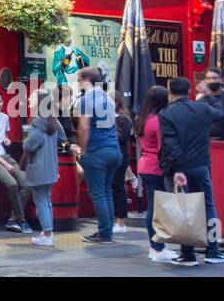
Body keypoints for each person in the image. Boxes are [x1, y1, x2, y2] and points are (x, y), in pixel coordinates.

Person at [158, 77, 224, 266]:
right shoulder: (202, 108)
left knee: (182, 209)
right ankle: (213, 250)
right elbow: (222, 114)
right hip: (200, 164)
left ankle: (187, 253)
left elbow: (170, 143)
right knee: (209, 206)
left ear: (170, 92)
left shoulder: (166, 114)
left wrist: (178, 169)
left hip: (178, 168)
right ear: (190, 90)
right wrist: (210, 95)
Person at [75, 67, 120, 244]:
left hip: (97, 151)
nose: (78, 83)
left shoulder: (86, 99)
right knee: (107, 191)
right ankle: (108, 230)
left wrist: (83, 150)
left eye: (79, 79)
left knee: (98, 194)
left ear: (86, 79)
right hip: (113, 150)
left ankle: (104, 234)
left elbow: (84, 127)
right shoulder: (108, 99)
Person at [136, 84, 178, 263]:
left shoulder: (143, 119)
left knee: (153, 208)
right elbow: (164, 147)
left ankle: (156, 247)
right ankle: (157, 248)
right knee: (157, 210)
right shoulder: (159, 121)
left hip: (145, 165)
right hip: (156, 168)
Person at [0, 91, 32, 234]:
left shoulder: (5, 117)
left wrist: (6, 139)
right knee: (12, 184)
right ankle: (21, 220)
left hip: (4, 155)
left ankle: (13, 219)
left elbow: (2, 135)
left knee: (27, 184)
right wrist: (5, 164)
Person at [23, 91, 65, 247]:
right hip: (51, 167)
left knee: (41, 201)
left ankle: (47, 234)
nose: (28, 100)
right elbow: (63, 140)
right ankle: (49, 232)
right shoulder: (54, 121)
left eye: (32, 98)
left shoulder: (36, 124)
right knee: (46, 200)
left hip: (38, 168)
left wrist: (25, 138)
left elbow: (29, 145)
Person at [111, 94, 134, 235]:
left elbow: (122, 137)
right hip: (111, 156)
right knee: (111, 188)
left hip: (120, 156)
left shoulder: (123, 119)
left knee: (118, 186)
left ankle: (121, 222)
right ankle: (114, 220)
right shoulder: (106, 118)